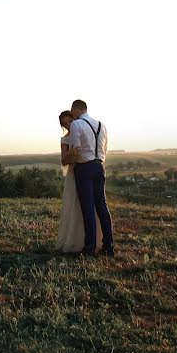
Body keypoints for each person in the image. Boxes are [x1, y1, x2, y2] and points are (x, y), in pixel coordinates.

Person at [67, 99, 115, 256]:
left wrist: (66, 162)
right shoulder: (102, 125)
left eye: (72, 111)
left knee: (88, 208)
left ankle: (89, 248)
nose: (72, 115)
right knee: (102, 206)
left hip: (85, 168)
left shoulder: (76, 124)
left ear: (76, 109)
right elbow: (105, 149)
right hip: (99, 166)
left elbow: (75, 150)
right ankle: (108, 246)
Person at [56, 111, 102, 254]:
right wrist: (71, 155)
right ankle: (74, 241)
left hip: (88, 169)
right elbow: (64, 160)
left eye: (69, 121)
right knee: (75, 206)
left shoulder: (83, 131)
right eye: (65, 124)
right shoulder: (64, 140)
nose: (69, 125)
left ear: (74, 118)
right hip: (74, 174)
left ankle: (91, 240)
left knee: (91, 206)